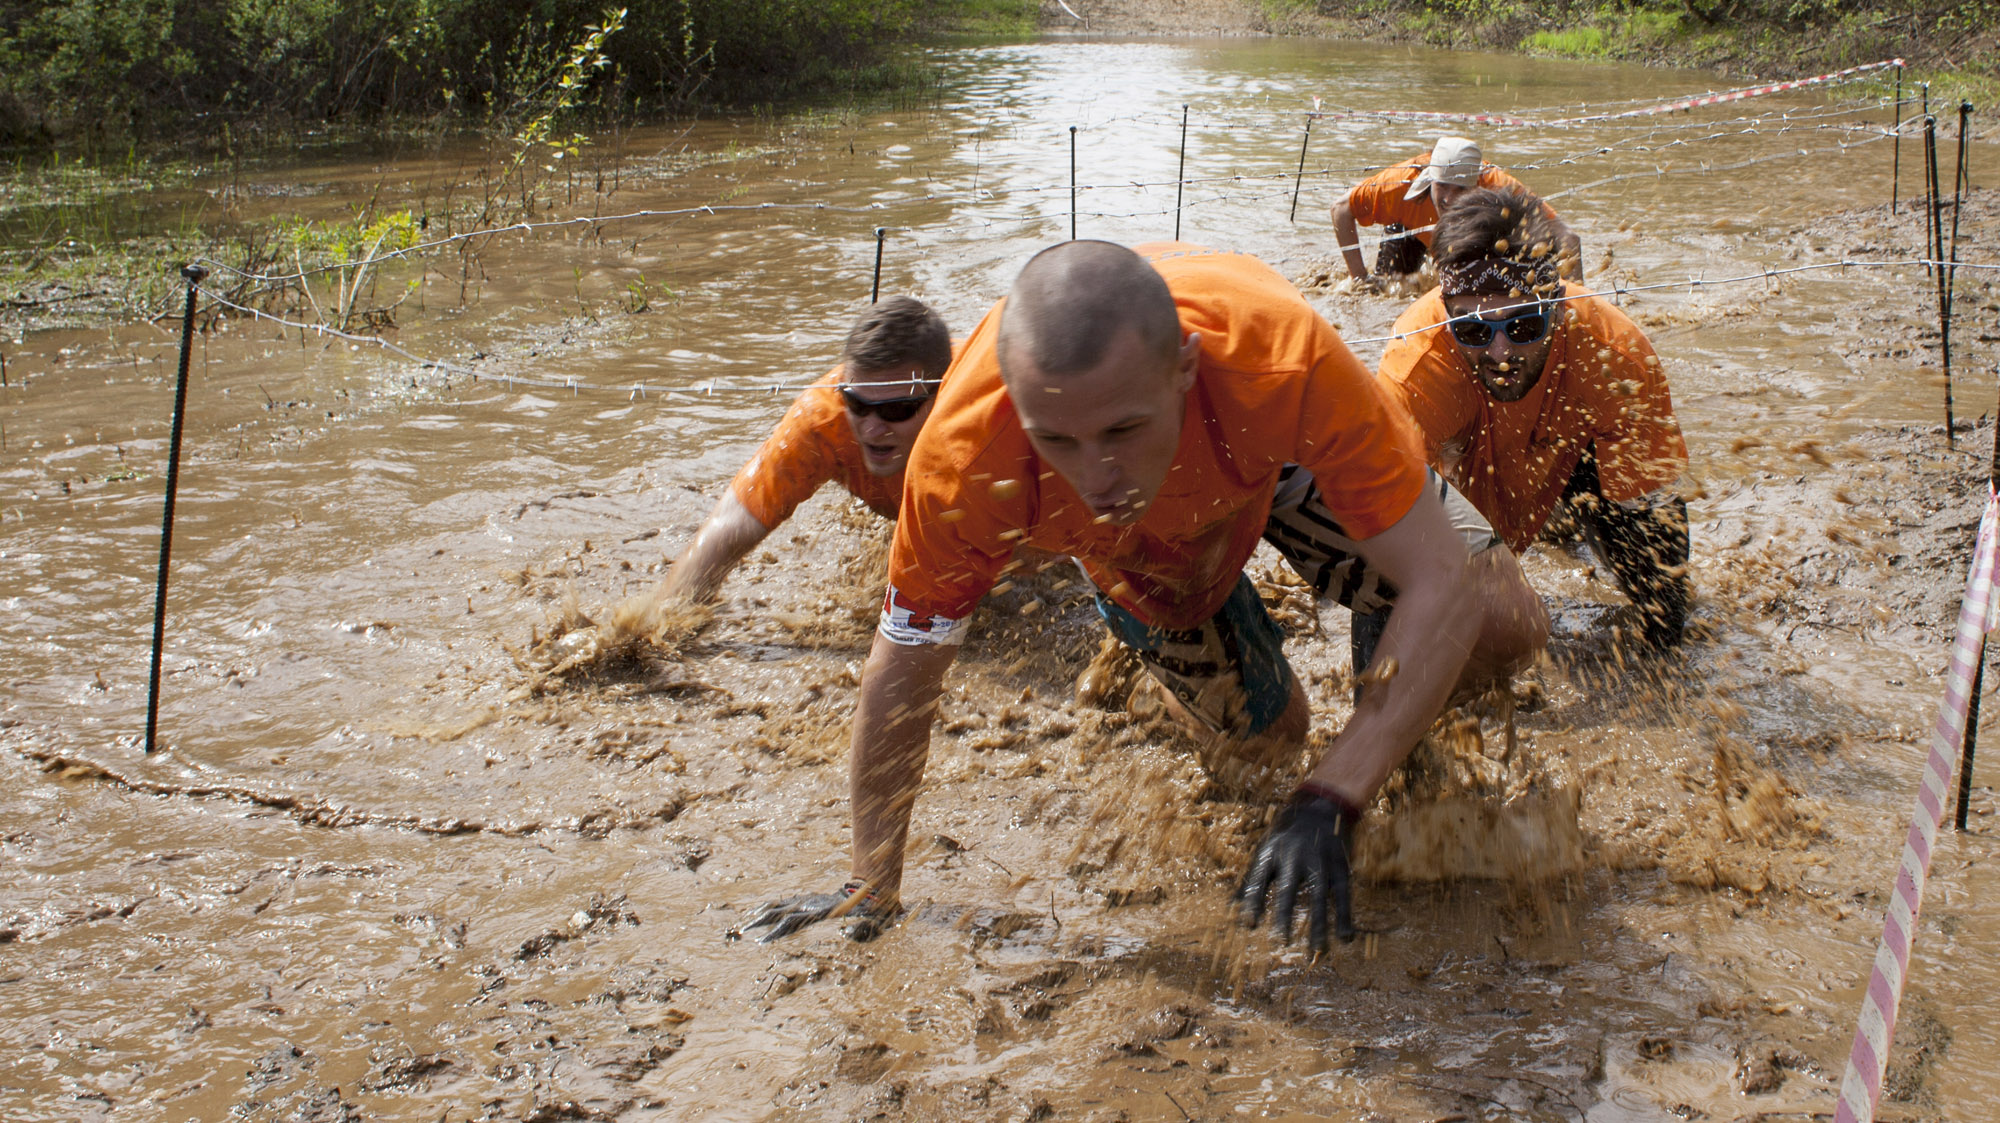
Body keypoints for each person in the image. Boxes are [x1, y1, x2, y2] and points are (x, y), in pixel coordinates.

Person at [744, 240, 1549, 953]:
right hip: (1138, 554)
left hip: (1266, 456)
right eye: (1055, 440)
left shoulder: (1281, 355)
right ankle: (1160, 680)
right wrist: (871, 880)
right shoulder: (962, 460)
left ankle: (1397, 731)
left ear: (1187, 370)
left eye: (1123, 430)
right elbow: (906, 666)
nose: (1097, 476)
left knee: (1505, 618)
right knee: (1271, 738)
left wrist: (1333, 792)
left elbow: (1443, 576)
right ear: (1017, 410)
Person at [1377, 187, 1690, 649]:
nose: (1500, 353)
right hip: (1464, 457)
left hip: (1571, 448)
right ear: (1445, 316)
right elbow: (1389, 536)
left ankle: (1565, 526)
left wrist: (1665, 616)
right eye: (1473, 329)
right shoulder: (1416, 372)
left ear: (1558, 309)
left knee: (1664, 622)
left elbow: (1650, 505)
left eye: (1524, 326)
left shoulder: (1616, 356)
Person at [647, 296, 952, 605]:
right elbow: (734, 522)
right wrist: (663, 619)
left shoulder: (985, 419)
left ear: (940, 395)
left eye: (897, 409)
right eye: (857, 404)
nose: (871, 430)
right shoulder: (823, 420)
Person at [1331, 135, 1582, 290]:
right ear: (1430, 179)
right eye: (1442, 187)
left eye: (1461, 189)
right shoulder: (1399, 185)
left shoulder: (1498, 188)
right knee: (1388, 291)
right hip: (1411, 235)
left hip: (1479, 240)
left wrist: (1574, 300)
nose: (1449, 199)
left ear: (1477, 185)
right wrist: (1359, 278)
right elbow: (1341, 209)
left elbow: (1567, 238)